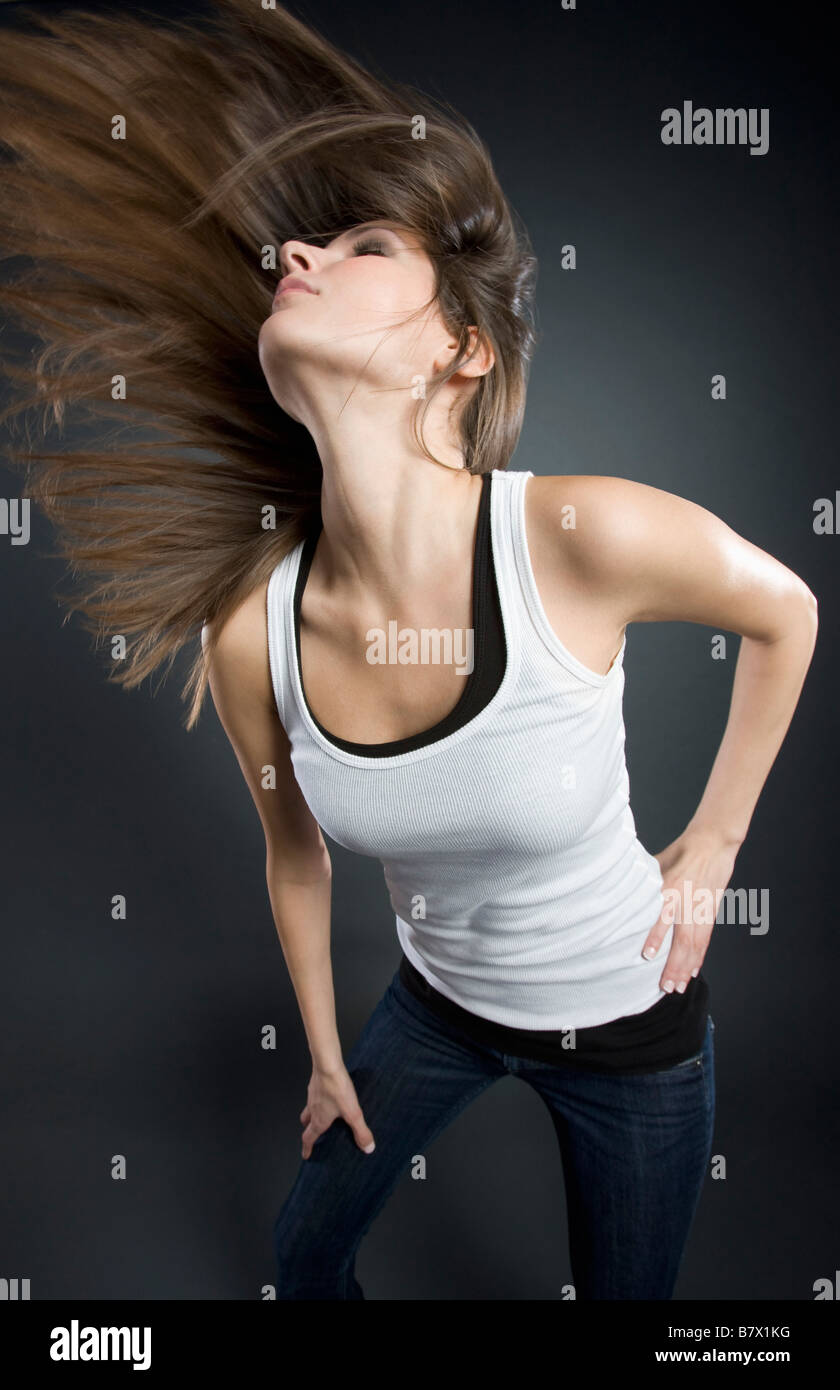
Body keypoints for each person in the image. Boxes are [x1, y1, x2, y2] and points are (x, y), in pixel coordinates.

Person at [0, 0, 818, 1300]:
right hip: (437, 1012)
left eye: (364, 245)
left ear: (461, 347)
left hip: (628, 1028)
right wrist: (328, 1053)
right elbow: (297, 855)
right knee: (304, 1254)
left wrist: (715, 843)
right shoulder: (252, 634)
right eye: (301, 245)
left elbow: (789, 610)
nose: (297, 256)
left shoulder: (574, 538)